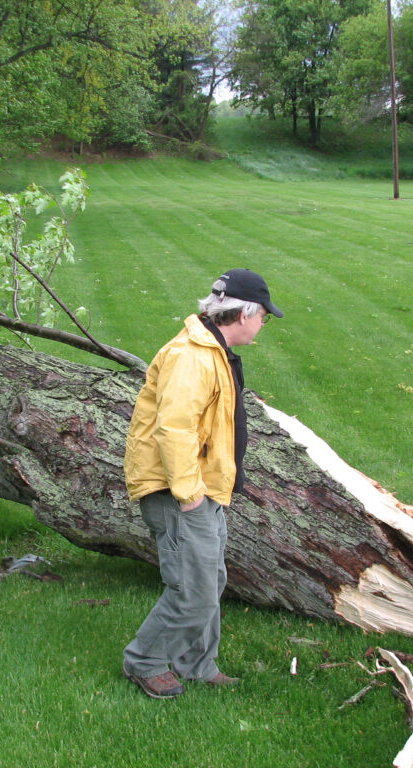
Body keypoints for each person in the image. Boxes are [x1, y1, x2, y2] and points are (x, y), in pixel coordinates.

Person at [121, 268, 283, 699]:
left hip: (204, 488)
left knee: (210, 582)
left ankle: (195, 663)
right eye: (263, 314)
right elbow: (174, 430)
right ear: (244, 313)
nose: (263, 323)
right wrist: (190, 496)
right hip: (180, 492)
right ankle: (146, 661)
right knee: (192, 590)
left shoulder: (214, 351)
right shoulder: (192, 357)